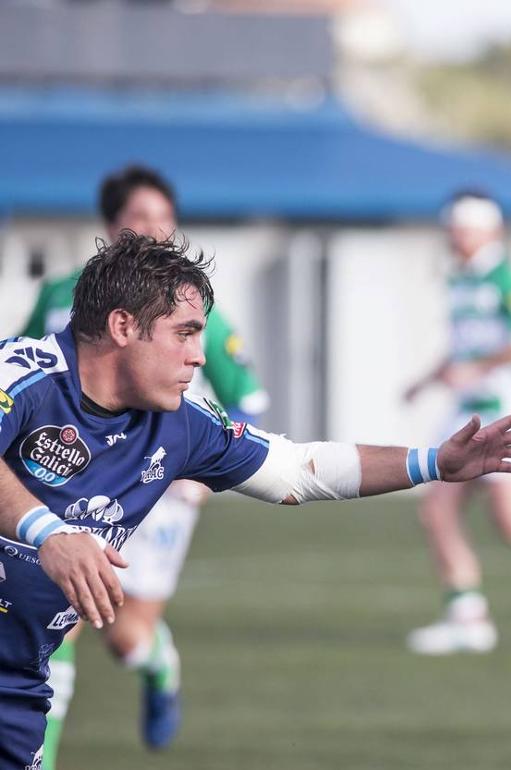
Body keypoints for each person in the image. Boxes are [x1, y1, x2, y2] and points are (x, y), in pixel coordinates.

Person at [0, 232, 511, 770]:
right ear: (122, 326)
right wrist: (48, 533)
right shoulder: (22, 373)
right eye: (185, 334)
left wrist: (434, 464)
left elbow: (297, 470)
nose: (198, 357)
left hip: (18, 683)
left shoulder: (183, 424)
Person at [17, 164, 269, 757]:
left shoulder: (193, 306)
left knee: (127, 637)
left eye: (164, 218)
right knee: (56, 629)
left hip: (158, 485)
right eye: (140, 218)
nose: (156, 229)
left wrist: (204, 475)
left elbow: (247, 401)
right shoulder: (61, 295)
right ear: (111, 228)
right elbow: (30, 370)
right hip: (68, 481)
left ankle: (157, 665)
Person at [403, 189, 511, 655]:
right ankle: (467, 617)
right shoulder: (458, 278)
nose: (454, 237)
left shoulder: (503, 277)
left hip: (501, 409)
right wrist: (426, 380)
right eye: (452, 228)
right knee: (437, 508)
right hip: (465, 411)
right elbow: (464, 346)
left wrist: (478, 368)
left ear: (487, 230)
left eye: (463, 228)